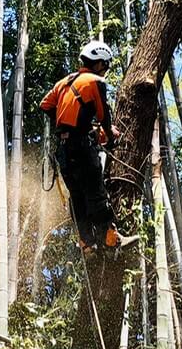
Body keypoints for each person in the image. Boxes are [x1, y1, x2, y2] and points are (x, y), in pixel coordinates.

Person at [40, 39, 136, 255]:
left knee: (77, 196)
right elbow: (103, 115)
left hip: (63, 150)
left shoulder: (63, 82)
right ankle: (111, 239)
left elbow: (45, 105)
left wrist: (77, 125)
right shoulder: (94, 81)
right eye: (106, 65)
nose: (105, 70)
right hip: (82, 147)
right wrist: (109, 135)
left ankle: (87, 244)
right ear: (100, 63)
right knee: (94, 191)